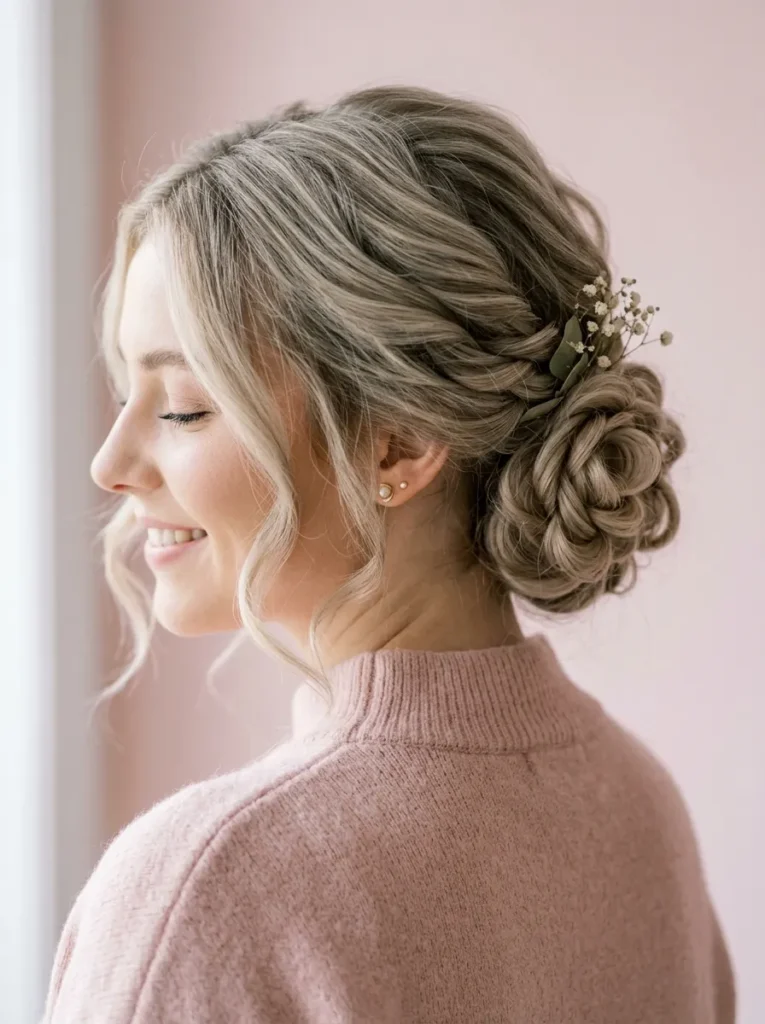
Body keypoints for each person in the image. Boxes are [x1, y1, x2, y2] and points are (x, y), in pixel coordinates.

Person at [42, 84, 735, 1022]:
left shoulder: (211, 892)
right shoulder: (639, 816)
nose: (111, 462)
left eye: (181, 408)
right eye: (126, 391)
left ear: (397, 445)